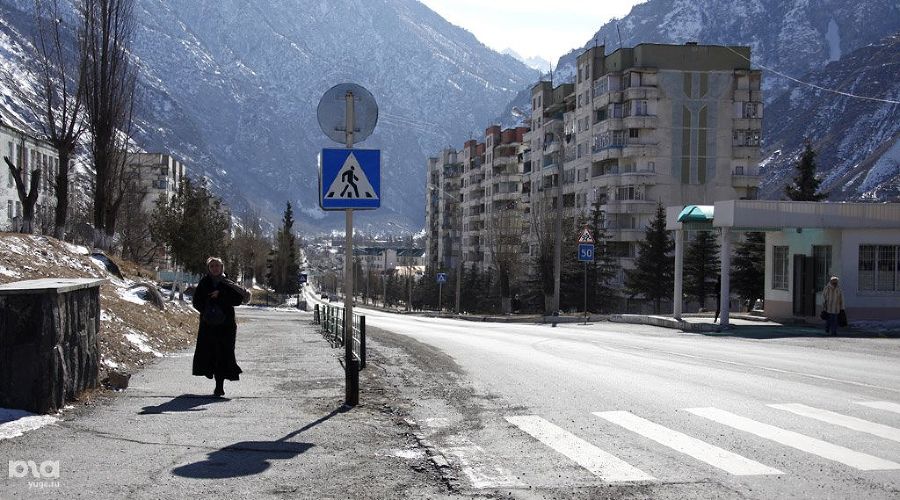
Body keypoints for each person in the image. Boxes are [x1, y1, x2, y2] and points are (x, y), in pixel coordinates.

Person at [192, 257, 248, 396]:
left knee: (223, 354)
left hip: (226, 326)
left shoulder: (228, 283)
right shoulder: (204, 283)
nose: (215, 268)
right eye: (212, 266)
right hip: (208, 326)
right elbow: (196, 302)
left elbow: (238, 300)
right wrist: (208, 309)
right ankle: (210, 373)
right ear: (208, 268)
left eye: (217, 265)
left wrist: (221, 295)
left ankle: (219, 386)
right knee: (210, 353)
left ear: (222, 267)